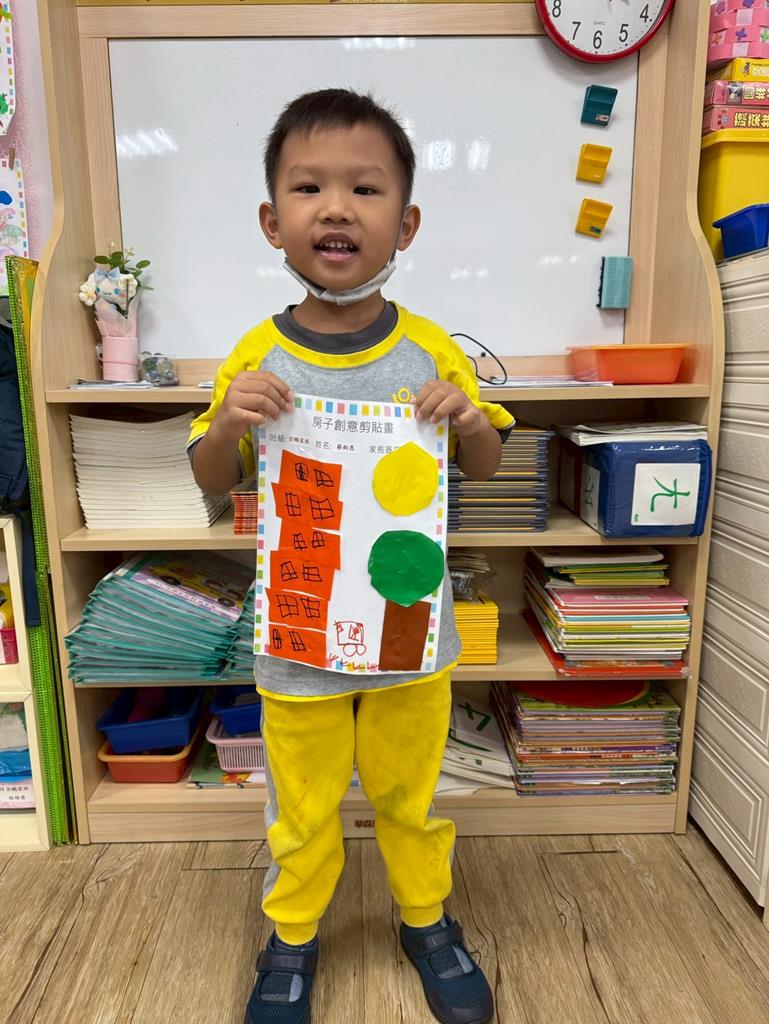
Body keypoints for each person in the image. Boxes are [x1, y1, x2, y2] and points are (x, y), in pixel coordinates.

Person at [189, 88, 513, 1024]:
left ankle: (426, 920)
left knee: (411, 795)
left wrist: (467, 416)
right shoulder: (257, 355)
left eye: (365, 189)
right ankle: (292, 935)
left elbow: (486, 462)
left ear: (404, 224)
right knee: (301, 805)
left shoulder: (429, 348)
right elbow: (209, 474)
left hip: (407, 631)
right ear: (272, 221)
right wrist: (229, 422)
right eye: (308, 187)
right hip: (300, 637)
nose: (336, 207)